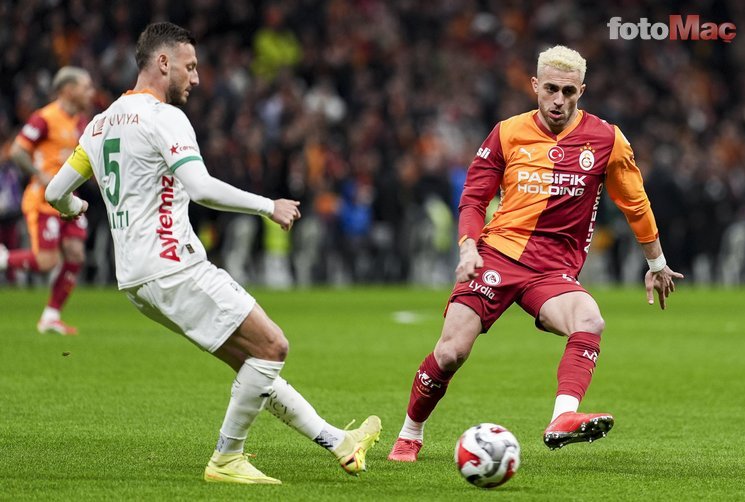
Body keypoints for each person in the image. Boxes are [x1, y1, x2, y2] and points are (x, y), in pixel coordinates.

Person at [44, 22, 380, 484]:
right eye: (191, 66)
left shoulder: (99, 124)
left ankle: (338, 442)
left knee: (252, 362)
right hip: (173, 266)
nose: (196, 78)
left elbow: (55, 192)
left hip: (135, 278)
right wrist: (268, 205)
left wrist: (75, 207)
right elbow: (200, 187)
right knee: (272, 346)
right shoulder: (163, 117)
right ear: (163, 62)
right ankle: (226, 458)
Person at [387, 45, 684, 462]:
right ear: (535, 86)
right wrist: (468, 247)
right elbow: (474, 198)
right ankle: (410, 433)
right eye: (550, 89)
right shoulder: (507, 132)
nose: (559, 100)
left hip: (552, 270)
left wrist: (656, 263)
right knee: (451, 351)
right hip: (496, 255)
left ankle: (562, 418)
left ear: (582, 91)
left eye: (568, 92)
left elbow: (635, 203)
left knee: (590, 320)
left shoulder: (606, 139)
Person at [0, 66, 94, 334]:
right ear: (68, 90)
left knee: (75, 253)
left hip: (69, 198)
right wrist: (40, 175)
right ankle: (4, 259)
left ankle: (51, 316)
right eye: (86, 87)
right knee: (46, 262)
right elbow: (17, 151)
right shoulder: (44, 118)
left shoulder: (82, 122)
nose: (91, 92)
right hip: (43, 200)